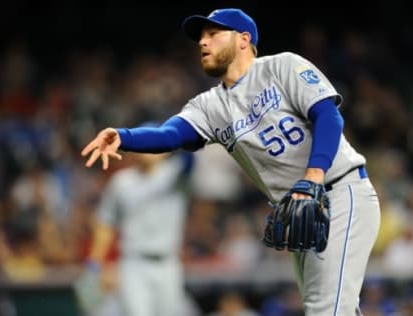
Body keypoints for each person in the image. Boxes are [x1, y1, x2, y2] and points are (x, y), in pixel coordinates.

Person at [81, 8, 381, 315]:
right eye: (200, 37)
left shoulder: (282, 66)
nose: (203, 42)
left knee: (327, 309)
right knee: (333, 309)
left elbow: (327, 115)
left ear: (243, 39)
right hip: (299, 209)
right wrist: (125, 136)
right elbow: (171, 135)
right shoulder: (210, 106)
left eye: (213, 34)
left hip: (340, 192)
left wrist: (315, 173)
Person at [86, 145, 194, 316]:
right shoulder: (122, 181)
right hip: (132, 263)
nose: (148, 149)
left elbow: (192, 155)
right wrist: (94, 264)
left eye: (154, 143)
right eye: (145, 143)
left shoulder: (176, 174)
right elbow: (105, 224)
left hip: (168, 263)